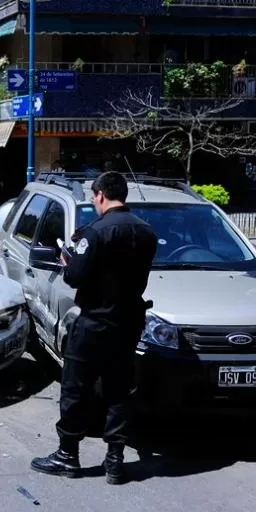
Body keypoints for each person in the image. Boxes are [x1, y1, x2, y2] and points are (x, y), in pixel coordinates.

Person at [30, 172, 157, 485]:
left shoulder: (96, 232)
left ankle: (67, 455)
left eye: (93, 198)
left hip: (94, 323)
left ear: (101, 195)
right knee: (119, 390)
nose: (93, 202)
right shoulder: (146, 232)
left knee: (76, 388)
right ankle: (115, 460)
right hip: (127, 323)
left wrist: (68, 259)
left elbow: (74, 276)